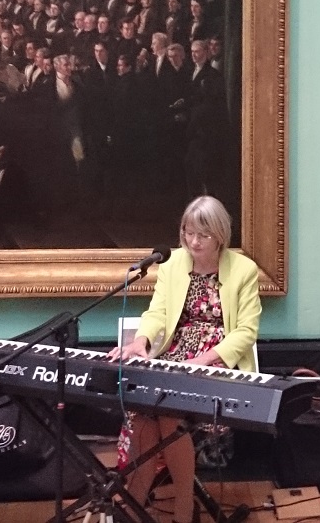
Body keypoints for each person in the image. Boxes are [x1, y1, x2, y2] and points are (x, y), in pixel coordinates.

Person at [109, 196, 260, 523]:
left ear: (220, 234)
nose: (193, 242)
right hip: (176, 354)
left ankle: (182, 509)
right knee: (144, 410)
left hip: (218, 359)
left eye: (203, 235)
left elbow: (246, 332)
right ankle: (135, 505)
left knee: (169, 412)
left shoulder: (243, 270)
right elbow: (158, 312)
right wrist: (141, 341)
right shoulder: (173, 264)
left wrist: (203, 360)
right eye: (188, 233)